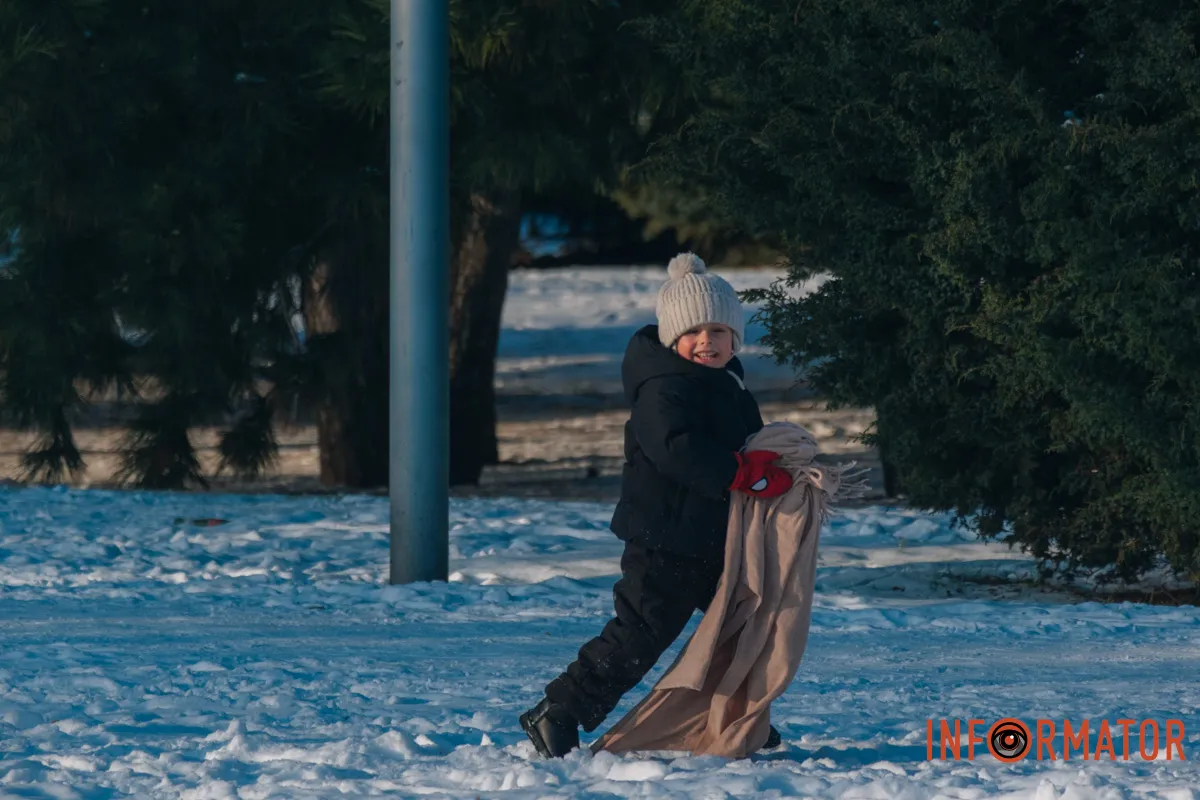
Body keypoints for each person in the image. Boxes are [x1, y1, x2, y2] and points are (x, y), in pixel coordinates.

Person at [519, 252, 794, 758]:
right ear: (672, 337)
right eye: (694, 332)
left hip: (712, 536)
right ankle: (559, 710)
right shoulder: (662, 389)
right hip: (663, 538)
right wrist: (740, 473)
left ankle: (734, 716)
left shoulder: (727, 384)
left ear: (736, 338)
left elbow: (742, 440)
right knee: (641, 634)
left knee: (742, 625)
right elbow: (676, 449)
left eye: (718, 331)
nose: (706, 342)